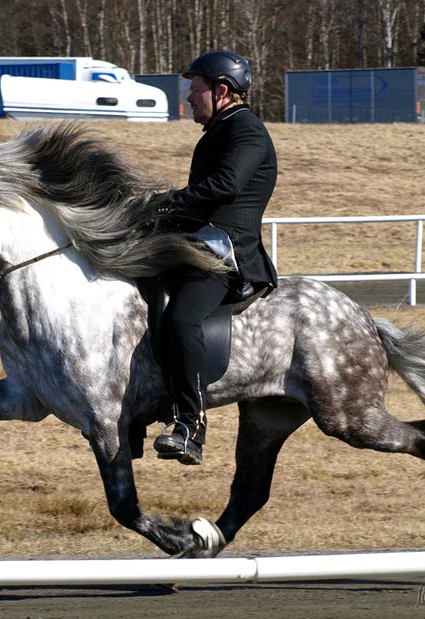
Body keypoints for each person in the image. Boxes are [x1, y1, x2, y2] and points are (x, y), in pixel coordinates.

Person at [150, 50, 278, 465]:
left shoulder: (246, 131)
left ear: (221, 90)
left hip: (226, 255)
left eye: (195, 88)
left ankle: (190, 424)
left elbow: (223, 186)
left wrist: (166, 201)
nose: (188, 97)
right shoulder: (220, 130)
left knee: (183, 319)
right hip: (198, 243)